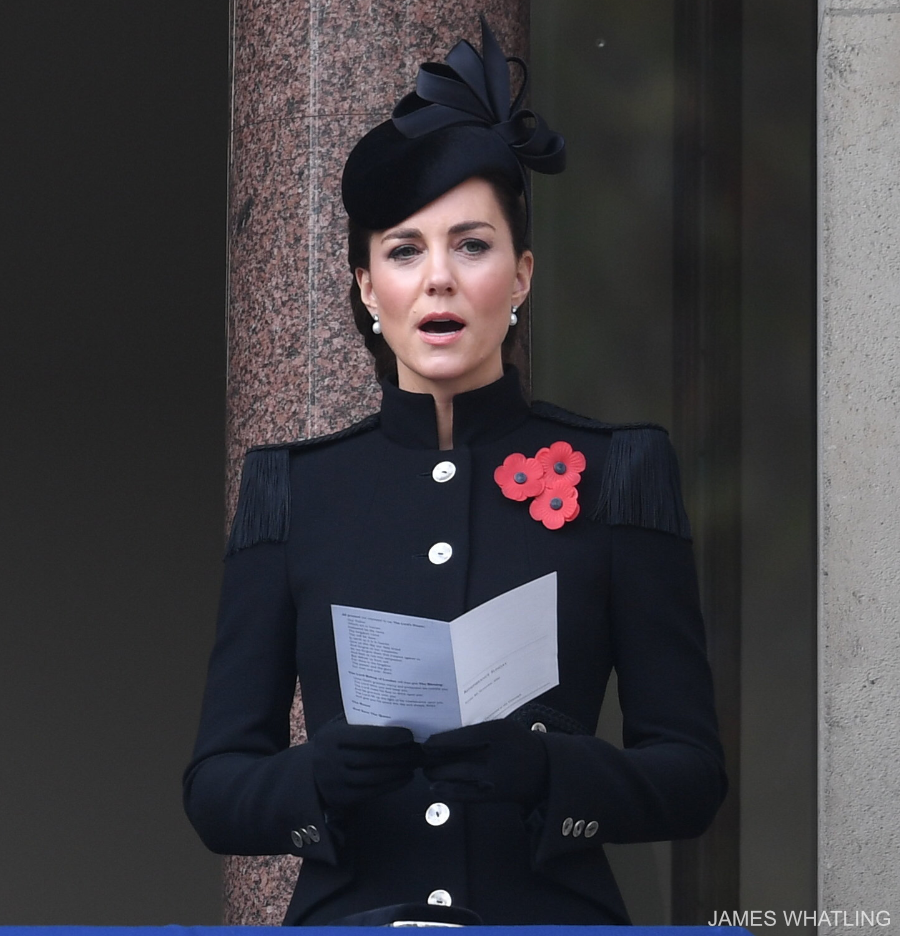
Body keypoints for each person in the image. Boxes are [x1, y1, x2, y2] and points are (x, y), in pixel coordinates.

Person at [183, 18, 727, 927]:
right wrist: (316, 778)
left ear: (519, 277)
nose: (438, 279)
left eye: (471, 246)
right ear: (366, 287)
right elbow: (215, 788)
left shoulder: (622, 471)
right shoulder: (294, 489)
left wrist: (553, 772)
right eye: (404, 251)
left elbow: (692, 776)